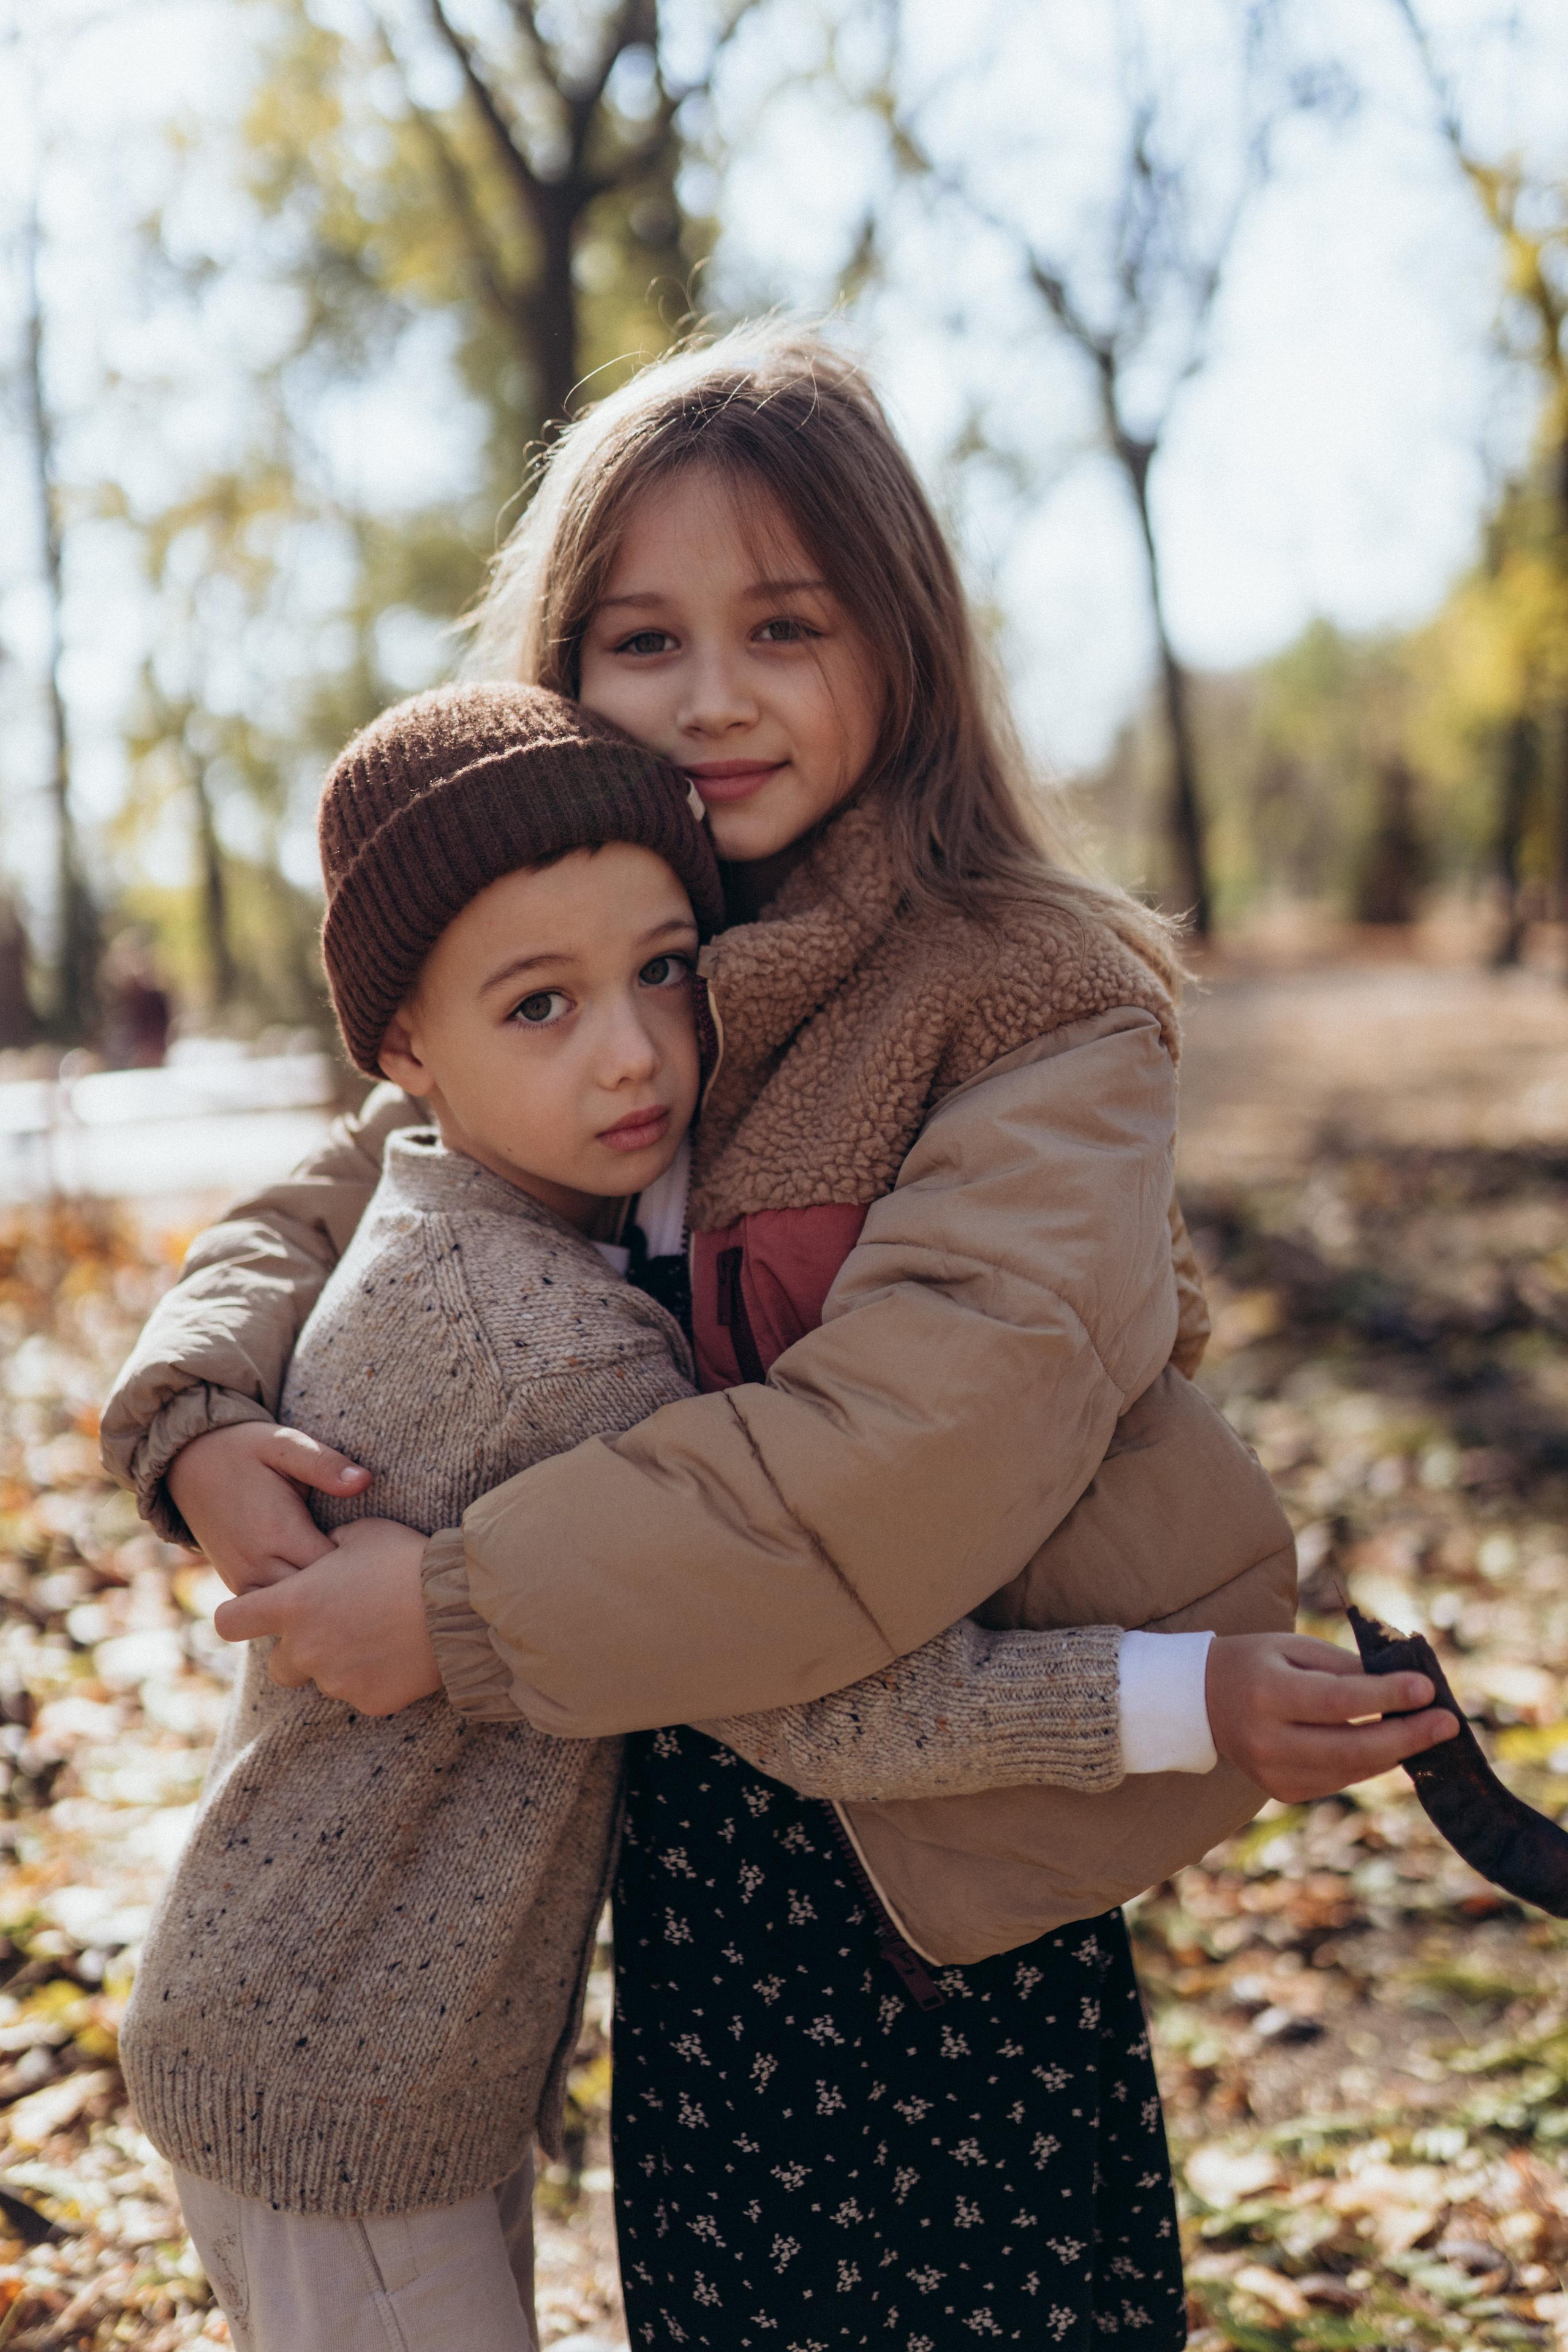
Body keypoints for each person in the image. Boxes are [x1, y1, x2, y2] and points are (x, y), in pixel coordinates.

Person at [102, 328, 1457, 2351]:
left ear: (900, 642)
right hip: (699, 1879)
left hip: (942, 1873)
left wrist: (459, 1610)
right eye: (644, 640)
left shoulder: (1024, 1003)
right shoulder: (623, 968)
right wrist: (201, 1410)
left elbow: (897, 1459)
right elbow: (348, 1180)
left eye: (785, 626)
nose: (714, 695)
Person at [118, 681, 1226, 2352]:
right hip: (337, 2078)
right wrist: (1183, 1698)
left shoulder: (462, 1196)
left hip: (350, 2039)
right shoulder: (555, 1343)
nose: (634, 1051)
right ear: (407, 1052)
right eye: (542, 1008)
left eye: (664, 971)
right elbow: (807, 1693)